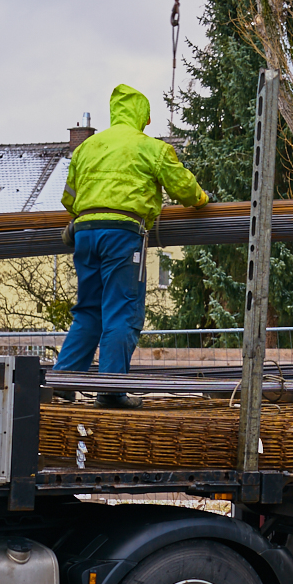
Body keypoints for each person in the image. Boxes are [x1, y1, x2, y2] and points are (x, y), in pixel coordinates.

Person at [53, 84, 209, 407]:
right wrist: (203, 199)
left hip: (85, 232)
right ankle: (110, 392)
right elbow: (184, 189)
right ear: (141, 116)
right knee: (122, 312)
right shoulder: (150, 148)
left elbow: (69, 197)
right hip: (124, 235)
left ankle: (63, 381)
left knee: (88, 312)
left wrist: (83, 217)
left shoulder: (87, 149)